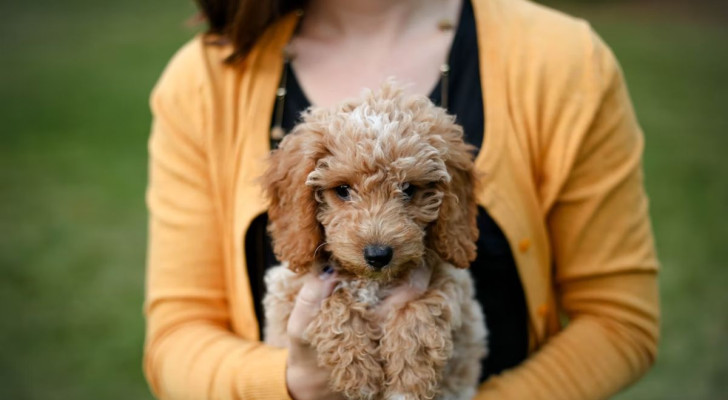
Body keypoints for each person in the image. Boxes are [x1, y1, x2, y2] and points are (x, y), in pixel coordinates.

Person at [143, 0, 660, 399]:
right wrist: (292, 382)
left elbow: (620, 322)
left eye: (411, 191)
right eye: (342, 191)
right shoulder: (201, 82)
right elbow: (173, 339)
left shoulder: (565, 61)